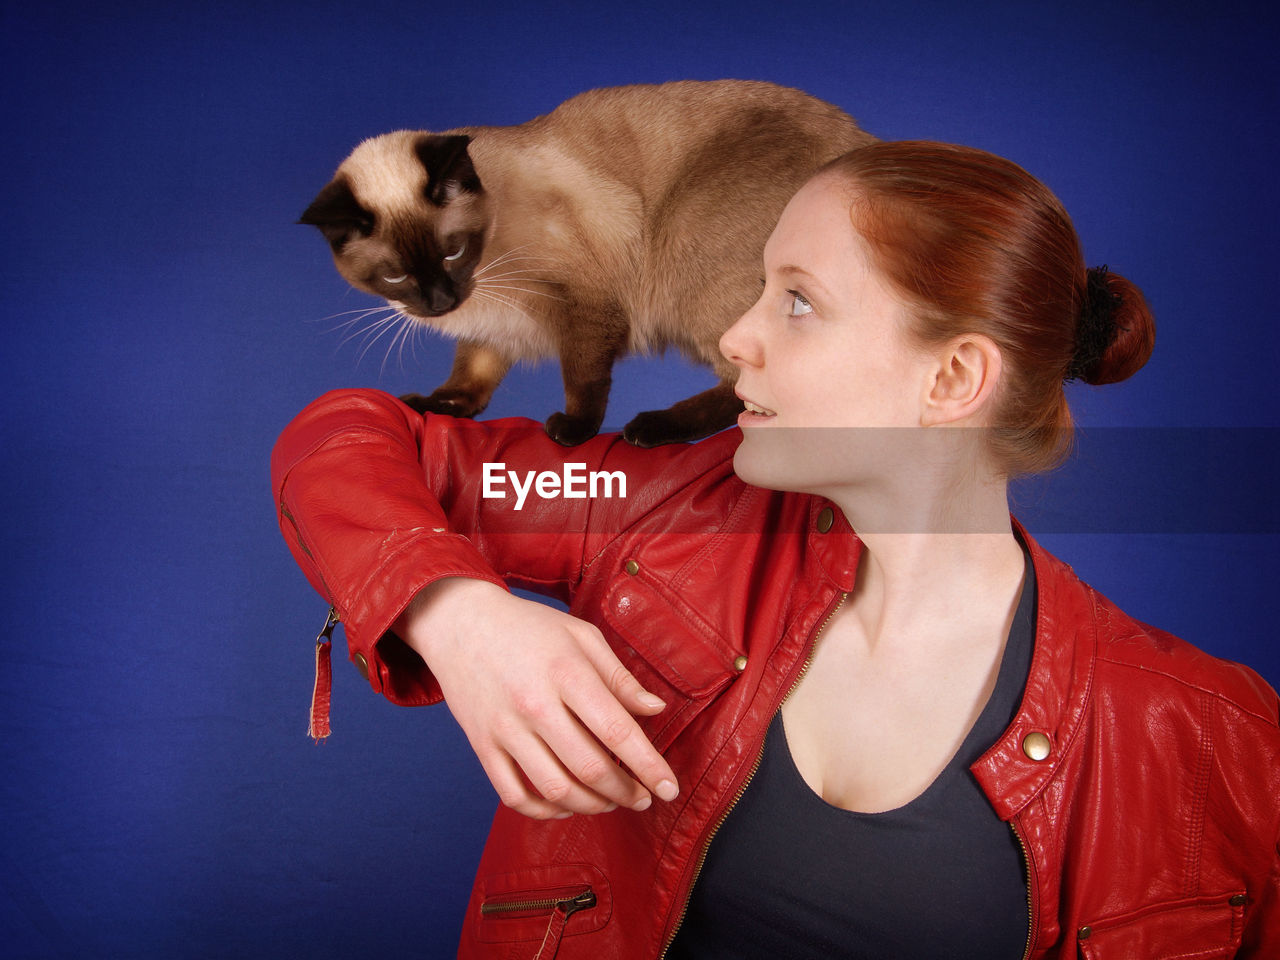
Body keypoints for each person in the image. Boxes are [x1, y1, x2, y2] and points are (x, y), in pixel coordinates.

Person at [271, 141, 1279, 958]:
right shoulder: (645, 507)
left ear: (952, 379)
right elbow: (349, 441)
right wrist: (457, 613)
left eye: (795, 301)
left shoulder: (1219, 746)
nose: (736, 337)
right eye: (755, 287)